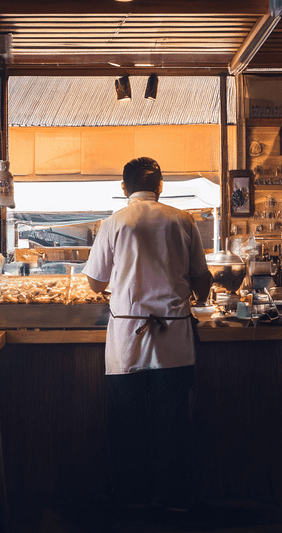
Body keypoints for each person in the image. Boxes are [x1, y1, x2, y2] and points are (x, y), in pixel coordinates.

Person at [82, 156, 213, 512]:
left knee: (127, 424)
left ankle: (130, 496)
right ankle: (177, 499)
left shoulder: (114, 222)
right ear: (160, 187)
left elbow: (95, 282)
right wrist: (196, 295)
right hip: (174, 337)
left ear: (124, 188)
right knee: (173, 423)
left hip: (128, 340)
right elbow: (202, 279)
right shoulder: (182, 219)